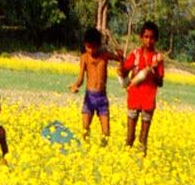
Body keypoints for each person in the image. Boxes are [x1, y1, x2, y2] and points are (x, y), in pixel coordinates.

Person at [118, 21, 165, 156]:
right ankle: (126, 161)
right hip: (133, 98)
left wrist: (154, 70)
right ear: (141, 37)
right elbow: (124, 73)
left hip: (148, 101)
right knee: (130, 137)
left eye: (152, 38)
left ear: (155, 40)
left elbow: (160, 82)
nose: (149, 40)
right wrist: (121, 60)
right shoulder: (135, 54)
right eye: (146, 37)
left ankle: (141, 164)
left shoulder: (158, 58)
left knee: (143, 139)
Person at [69, 27, 122, 146]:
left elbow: (121, 59)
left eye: (94, 47)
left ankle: (102, 152)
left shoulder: (105, 55)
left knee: (106, 132)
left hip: (102, 98)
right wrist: (75, 86)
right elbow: (81, 78)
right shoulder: (84, 58)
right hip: (89, 98)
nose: (91, 50)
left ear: (99, 45)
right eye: (88, 47)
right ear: (85, 45)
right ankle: (86, 150)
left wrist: (119, 51)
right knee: (85, 129)